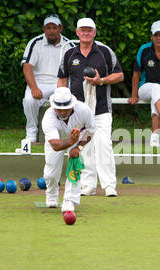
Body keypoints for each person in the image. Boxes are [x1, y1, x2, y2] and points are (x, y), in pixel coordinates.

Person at [57, 17, 124, 197]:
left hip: (101, 109)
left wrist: (100, 80)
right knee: (84, 147)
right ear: (77, 32)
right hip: (78, 111)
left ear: (94, 32)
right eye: (82, 30)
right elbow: (62, 79)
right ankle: (88, 185)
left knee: (104, 145)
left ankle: (109, 186)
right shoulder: (69, 54)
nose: (86, 33)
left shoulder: (104, 52)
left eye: (89, 30)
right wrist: (61, 104)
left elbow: (119, 75)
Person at [21, 14, 74, 143]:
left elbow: (74, 69)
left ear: (60, 28)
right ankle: (31, 133)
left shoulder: (69, 45)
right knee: (29, 100)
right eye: (48, 27)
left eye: (54, 27)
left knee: (69, 100)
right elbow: (27, 67)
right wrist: (34, 88)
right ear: (44, 29)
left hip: (61, 82)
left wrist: (65, 88)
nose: (51, 31)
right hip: (39, 83)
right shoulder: (35, 43)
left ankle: (67, 132)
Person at [41, 87, 95, 213]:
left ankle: (69, 200)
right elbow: (55, 145)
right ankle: (52, 193)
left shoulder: (83, 110)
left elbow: (91, 130)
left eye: (66, 108)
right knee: (51, 173)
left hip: (76, 139)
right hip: (56, 141)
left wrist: (78, 147)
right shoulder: (48, 117)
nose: (62, 112)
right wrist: (70, 142)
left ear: (72, 105)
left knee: (75, 166)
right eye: (59, 108)